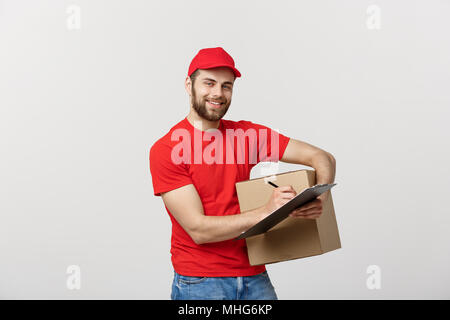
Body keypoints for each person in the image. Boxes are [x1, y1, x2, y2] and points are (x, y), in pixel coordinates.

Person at [149, 47, 336, 300]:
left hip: (254, 275)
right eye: (209, 83)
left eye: (227, 86)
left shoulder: (245, 136)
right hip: (201, 282)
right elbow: (199, 230)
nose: (218, 93)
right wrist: (267, 211)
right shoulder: (168, 149)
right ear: (188, 85)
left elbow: (322, 157)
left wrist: (320, 198)